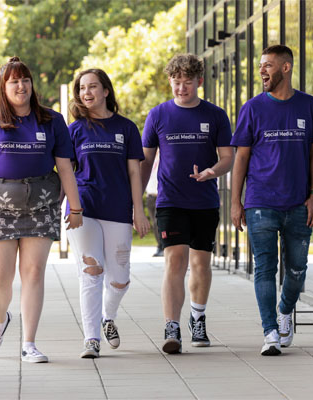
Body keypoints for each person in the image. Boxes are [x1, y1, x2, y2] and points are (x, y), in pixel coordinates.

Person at [0, 56, 83, 363]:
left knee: (33, 273)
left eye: (25, 80)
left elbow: (65, 168)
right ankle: (1, 319)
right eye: (14, 81)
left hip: (40, 206)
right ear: (4, 88)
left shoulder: (51, 120)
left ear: (32, 85)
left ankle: (29, 343)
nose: (21, 86)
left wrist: (76, 207)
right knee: (0, 278)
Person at [230, 45, 313, 356]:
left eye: (268, 66)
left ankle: (285, 310)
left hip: (299, 203)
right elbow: (241, 157)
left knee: (297, 268)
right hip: (260, 201)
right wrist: (236, 201)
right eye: (261, 66)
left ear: (286, 68)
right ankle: (270, 331)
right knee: (264, 268)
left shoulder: (309, 106)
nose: (262, 71)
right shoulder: (253, 108)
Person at [141, 53, 234, 354]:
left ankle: (198, 317)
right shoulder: (158, 115)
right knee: (175, 262)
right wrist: (135, 202)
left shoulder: (216, 115)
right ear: (170, 81)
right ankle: (172, 326)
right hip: (170, 200)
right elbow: (145, 161)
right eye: (176, 82)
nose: (181, 88)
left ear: (199, 81)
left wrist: (212, 172)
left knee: (200, 264)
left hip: (205, 201)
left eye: (187, 83)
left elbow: (228, 157)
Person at [66, 68, 150, 359]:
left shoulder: (126, 127)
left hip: (117, 209)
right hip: (83, 208)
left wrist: (139, 211)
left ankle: (107, 317)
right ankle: (91, 339)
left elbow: (134, 172)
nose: (86, 93)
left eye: (92, 87)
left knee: (120, 277)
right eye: (81, 88)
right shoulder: (74, 130)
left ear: (105, 91)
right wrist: (60, 210)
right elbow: (66, 173)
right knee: (91, 272)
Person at [145, 152, 164, 257]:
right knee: (154, 223)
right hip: (150, 195)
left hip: (160, 195)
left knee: (158, 223)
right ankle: (159, 245)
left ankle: (162, 246)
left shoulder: (163, 158)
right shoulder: (149, 159)